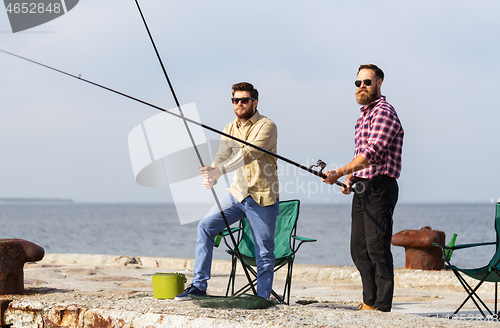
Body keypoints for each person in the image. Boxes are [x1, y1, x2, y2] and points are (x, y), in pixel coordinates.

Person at [175, 82, 279, 301]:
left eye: (244, 100)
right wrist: (213, 171)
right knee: (205, 226)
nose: (239, 104)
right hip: (237, 194)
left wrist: (220, 171)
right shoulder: (229, 128)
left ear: (255, 102)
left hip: (262, 197)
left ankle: (262, 298)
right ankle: (199, 285)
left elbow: (249, 153)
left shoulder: (267, 126)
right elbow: (222, 155)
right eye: (235, 100)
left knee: (264, 252)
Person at [322, 64, 403, 312]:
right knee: (358, 249)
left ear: (379, 83)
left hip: (380, 188)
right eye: (358, 83)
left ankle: (381, 305)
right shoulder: (363, 116)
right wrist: (349, 180)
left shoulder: (384, 111)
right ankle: (369, 301)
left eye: (367, 82)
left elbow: (373, 152)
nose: (362, 87)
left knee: (377, 248)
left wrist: (339, 172)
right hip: (361, 186)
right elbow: (360, 154)